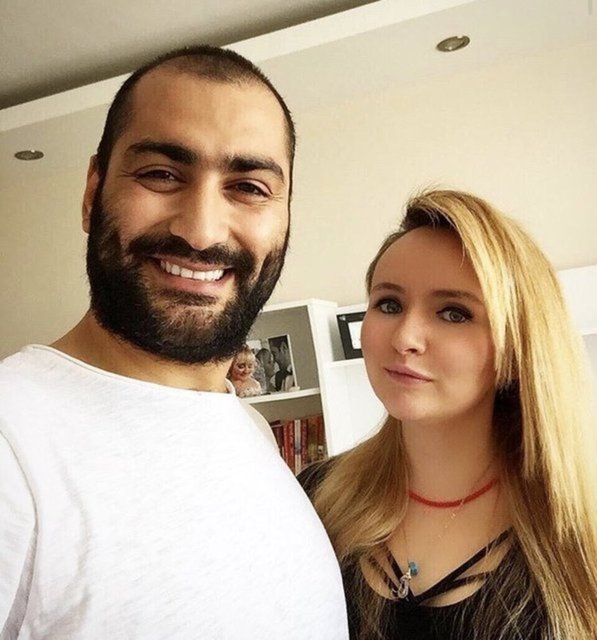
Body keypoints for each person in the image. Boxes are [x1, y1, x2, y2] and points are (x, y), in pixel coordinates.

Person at [0, 46, 348, 640]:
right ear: (92, 193)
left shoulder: (250, 429)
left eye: (249, 186)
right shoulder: (13, 439)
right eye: (161, 174)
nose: (202, 231)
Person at [299, 189, 597, 639]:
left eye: (454, 313)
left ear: (518, 344)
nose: (405, 338)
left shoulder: (577, 528)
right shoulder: (314, 499)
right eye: (389, 304)